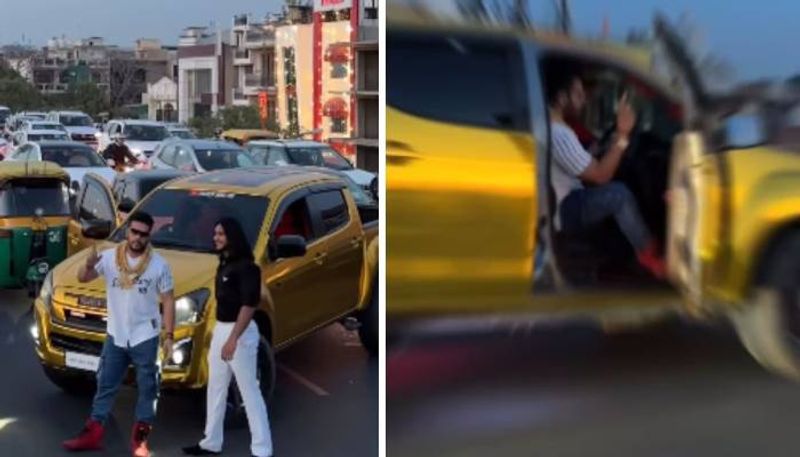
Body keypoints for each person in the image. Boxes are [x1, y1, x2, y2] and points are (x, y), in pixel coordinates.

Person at [62, 211, 175, 457]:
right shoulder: (110, 257)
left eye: (143, 234)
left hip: (145, 336)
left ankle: (140, 440)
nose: (137, 238)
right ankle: (93, 434)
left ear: (148, 236)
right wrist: (89, 263)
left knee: (148, 388)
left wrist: (169, 336)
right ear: (127, 231)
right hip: (116, 334)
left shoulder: (159, 265)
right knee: (105, 384)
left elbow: (168, 300)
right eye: (134, 232)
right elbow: (83, 278)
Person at [546, 67, 665, 278]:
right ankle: (650, 256)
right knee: (619, 195)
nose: (584, 100)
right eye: (578, 94)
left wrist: (605, 147)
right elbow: (601, 176)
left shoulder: (556, 128)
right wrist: (622, 136)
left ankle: (621, 257)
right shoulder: (559, 134)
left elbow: (585, 161)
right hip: (565, 209)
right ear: (562, 98)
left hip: (567, 198)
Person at [183, 218, 273, 457]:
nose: (216, 238)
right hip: (222, 328)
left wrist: (233, 338)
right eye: (215, 233)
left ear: (232, 236)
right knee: (215, 388)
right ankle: (211, 442)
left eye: (221, 234)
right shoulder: (224, 264)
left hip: (240, 332)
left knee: (249, 390)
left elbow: (250, 304)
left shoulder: (247, 268)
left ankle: (262, 449)